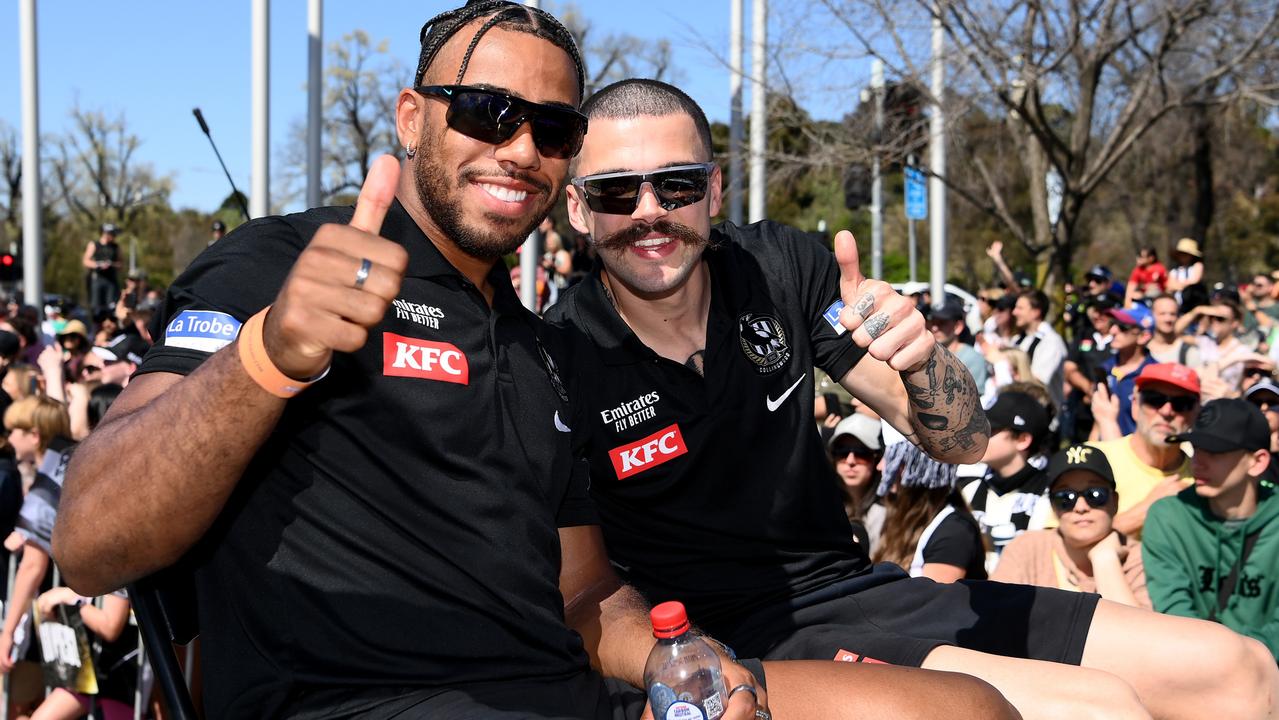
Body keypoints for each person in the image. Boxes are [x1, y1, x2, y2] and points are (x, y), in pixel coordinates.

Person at [51, 6, 1011, 719]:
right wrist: (267, 355)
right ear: (410, 117)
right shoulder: (280, 265)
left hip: (563, 692)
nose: (518, 148)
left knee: (964, 709)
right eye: (483, 111)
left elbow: (585, 591)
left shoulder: (540, 345)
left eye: (551, 130)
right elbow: (91, 542)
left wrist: (688, 666)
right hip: (363, 702)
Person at [547, 77, 1278, 719]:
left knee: (1235, 670)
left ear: (712, 189)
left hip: (856, 587)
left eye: (675, 184)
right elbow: (580, 594)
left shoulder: (777, 267)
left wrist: (924, 357)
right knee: (1097, 709)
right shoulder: (557, 356)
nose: (649, 212)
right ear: (579, 211)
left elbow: (957, 442)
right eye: (616, 191)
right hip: (731, 639)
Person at [1143, 399, 1279, 659]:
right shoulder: (1168, 517)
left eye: (1215, 452)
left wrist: (1239, 661)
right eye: (1196, 448)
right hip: (1195, 668)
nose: (1197, 462)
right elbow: (1174, 612)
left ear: (1258, 461)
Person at [993, 444, 1150, 609]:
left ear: (1115, 502)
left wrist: (1106, 560)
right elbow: (991, 618)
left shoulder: (1140, 558)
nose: (1080, 507)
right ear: (1053, 507)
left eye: (1095, 494)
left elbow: (1139, 633)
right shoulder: (1027, 548)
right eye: (1065, 497)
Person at [1090, 363, 1198, 538]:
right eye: (1154, 399)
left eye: (1181, 404)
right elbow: (1057, 544)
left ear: (1195, 413)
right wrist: (1146, 510)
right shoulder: (1094, 460)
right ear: (1134, 405)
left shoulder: (1206, 480)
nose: (1166, 411)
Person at [959, 391, 1054, 567]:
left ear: (1023, 440)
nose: (978, 436)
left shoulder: (1050, 495)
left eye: (991, 430)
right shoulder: (968, 488)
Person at [874, 440, 986, 582]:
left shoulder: (954, 530)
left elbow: (934, 600)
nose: (880, 466)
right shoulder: (897, 518)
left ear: (918, 466)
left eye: (893, 457)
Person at [828, 413, 885, 551]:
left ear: (877, 459)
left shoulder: (886, 514)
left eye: (861, 452)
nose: (850, 461)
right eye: (842, 451)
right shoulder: (821, 506)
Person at [1101, 305, 1158, 437]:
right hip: (1103, 452)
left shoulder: (1153, 376)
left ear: (1144, 336)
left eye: (1123, 327)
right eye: (1113, 324)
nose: (1113, 330)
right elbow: (1098, 423)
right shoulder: (1105, 368)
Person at [1012, 289, 1068, 413]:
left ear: (1036, 312)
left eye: (1020, 308)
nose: (1014, 312)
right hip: (1019, 409)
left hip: (1044, 416)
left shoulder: (1051, 342)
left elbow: (1037, 384)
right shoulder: (1018, 340)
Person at [925, 299, 987, 391]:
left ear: (958, 326)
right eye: (932, 322)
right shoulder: (925, 355)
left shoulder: (973, 359)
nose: (934, 328)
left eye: (942, 323)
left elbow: (976, 399)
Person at [1147, 294, 1202, 368]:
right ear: (1151, 315)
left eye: (1172, 314)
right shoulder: (1140, 349)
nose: (1168, 319)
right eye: (1162, 314)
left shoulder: (1188, 352)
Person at [82, 224, 122, 316]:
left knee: (111, 308)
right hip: (98, 279)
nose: (114, 237)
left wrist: (112, 265)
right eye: (112, 234)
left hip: (111, 280)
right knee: (96, 308)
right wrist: (97, 265)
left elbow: (121, 264)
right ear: (105, 233)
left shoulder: (116, 247)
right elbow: (86, 260)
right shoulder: (94, 245)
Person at [1166, 237, 1205, 305]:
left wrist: (1179, 286)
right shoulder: (1174, 271)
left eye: (1186, 254)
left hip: (1193, 302)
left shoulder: (1197, 266)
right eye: (1181, 254)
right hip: (1177, 303)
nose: (1183, 256)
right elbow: (1169, 286)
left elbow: (1195, 281)